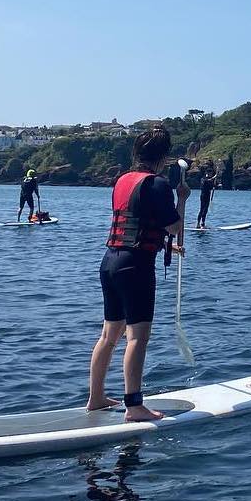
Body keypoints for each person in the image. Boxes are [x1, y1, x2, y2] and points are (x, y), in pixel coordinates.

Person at [87, 125, 189, 422]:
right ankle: (134, 406)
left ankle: (96, 397)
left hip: (110, 262)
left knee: (109, 335)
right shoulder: (158, 184)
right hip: (136, 267)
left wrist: (166, 247)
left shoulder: (123, 180)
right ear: (164, 157)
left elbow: (138, 221)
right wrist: (182, 198)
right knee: (137, 338)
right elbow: (174, 227)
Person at [196, 164, 217, 229]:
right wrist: (213, 178)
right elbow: (206, 181)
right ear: (207, 173)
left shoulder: (210, 180)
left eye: (212, 174)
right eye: (210, 173)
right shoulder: (203, 179)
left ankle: (203, 223)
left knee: (205, 210)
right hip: (203, 196)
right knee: (202, 209)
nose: (211, 174)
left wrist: (215, 185)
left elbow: (212, 186)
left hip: (208, 196)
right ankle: (198, 224)